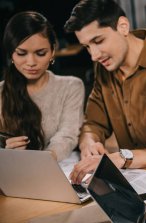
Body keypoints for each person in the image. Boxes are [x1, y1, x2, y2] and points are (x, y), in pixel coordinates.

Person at [64, 0, 146, 184]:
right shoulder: (104, 67)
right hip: (134, 180)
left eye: (98, 41)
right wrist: (89, 144)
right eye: (87, 46)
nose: (94, 55)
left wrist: (122, 158)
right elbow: (93, 123)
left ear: (123, 27)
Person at [0, 11, 84, 161]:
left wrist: (43, 161)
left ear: (52, 51)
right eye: (21, 53)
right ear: (11, 54)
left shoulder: (71, 87)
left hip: (53, 168)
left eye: (40, 53)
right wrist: (5, 151)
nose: (31, 62)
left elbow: (67, 135)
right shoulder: (2, 91)